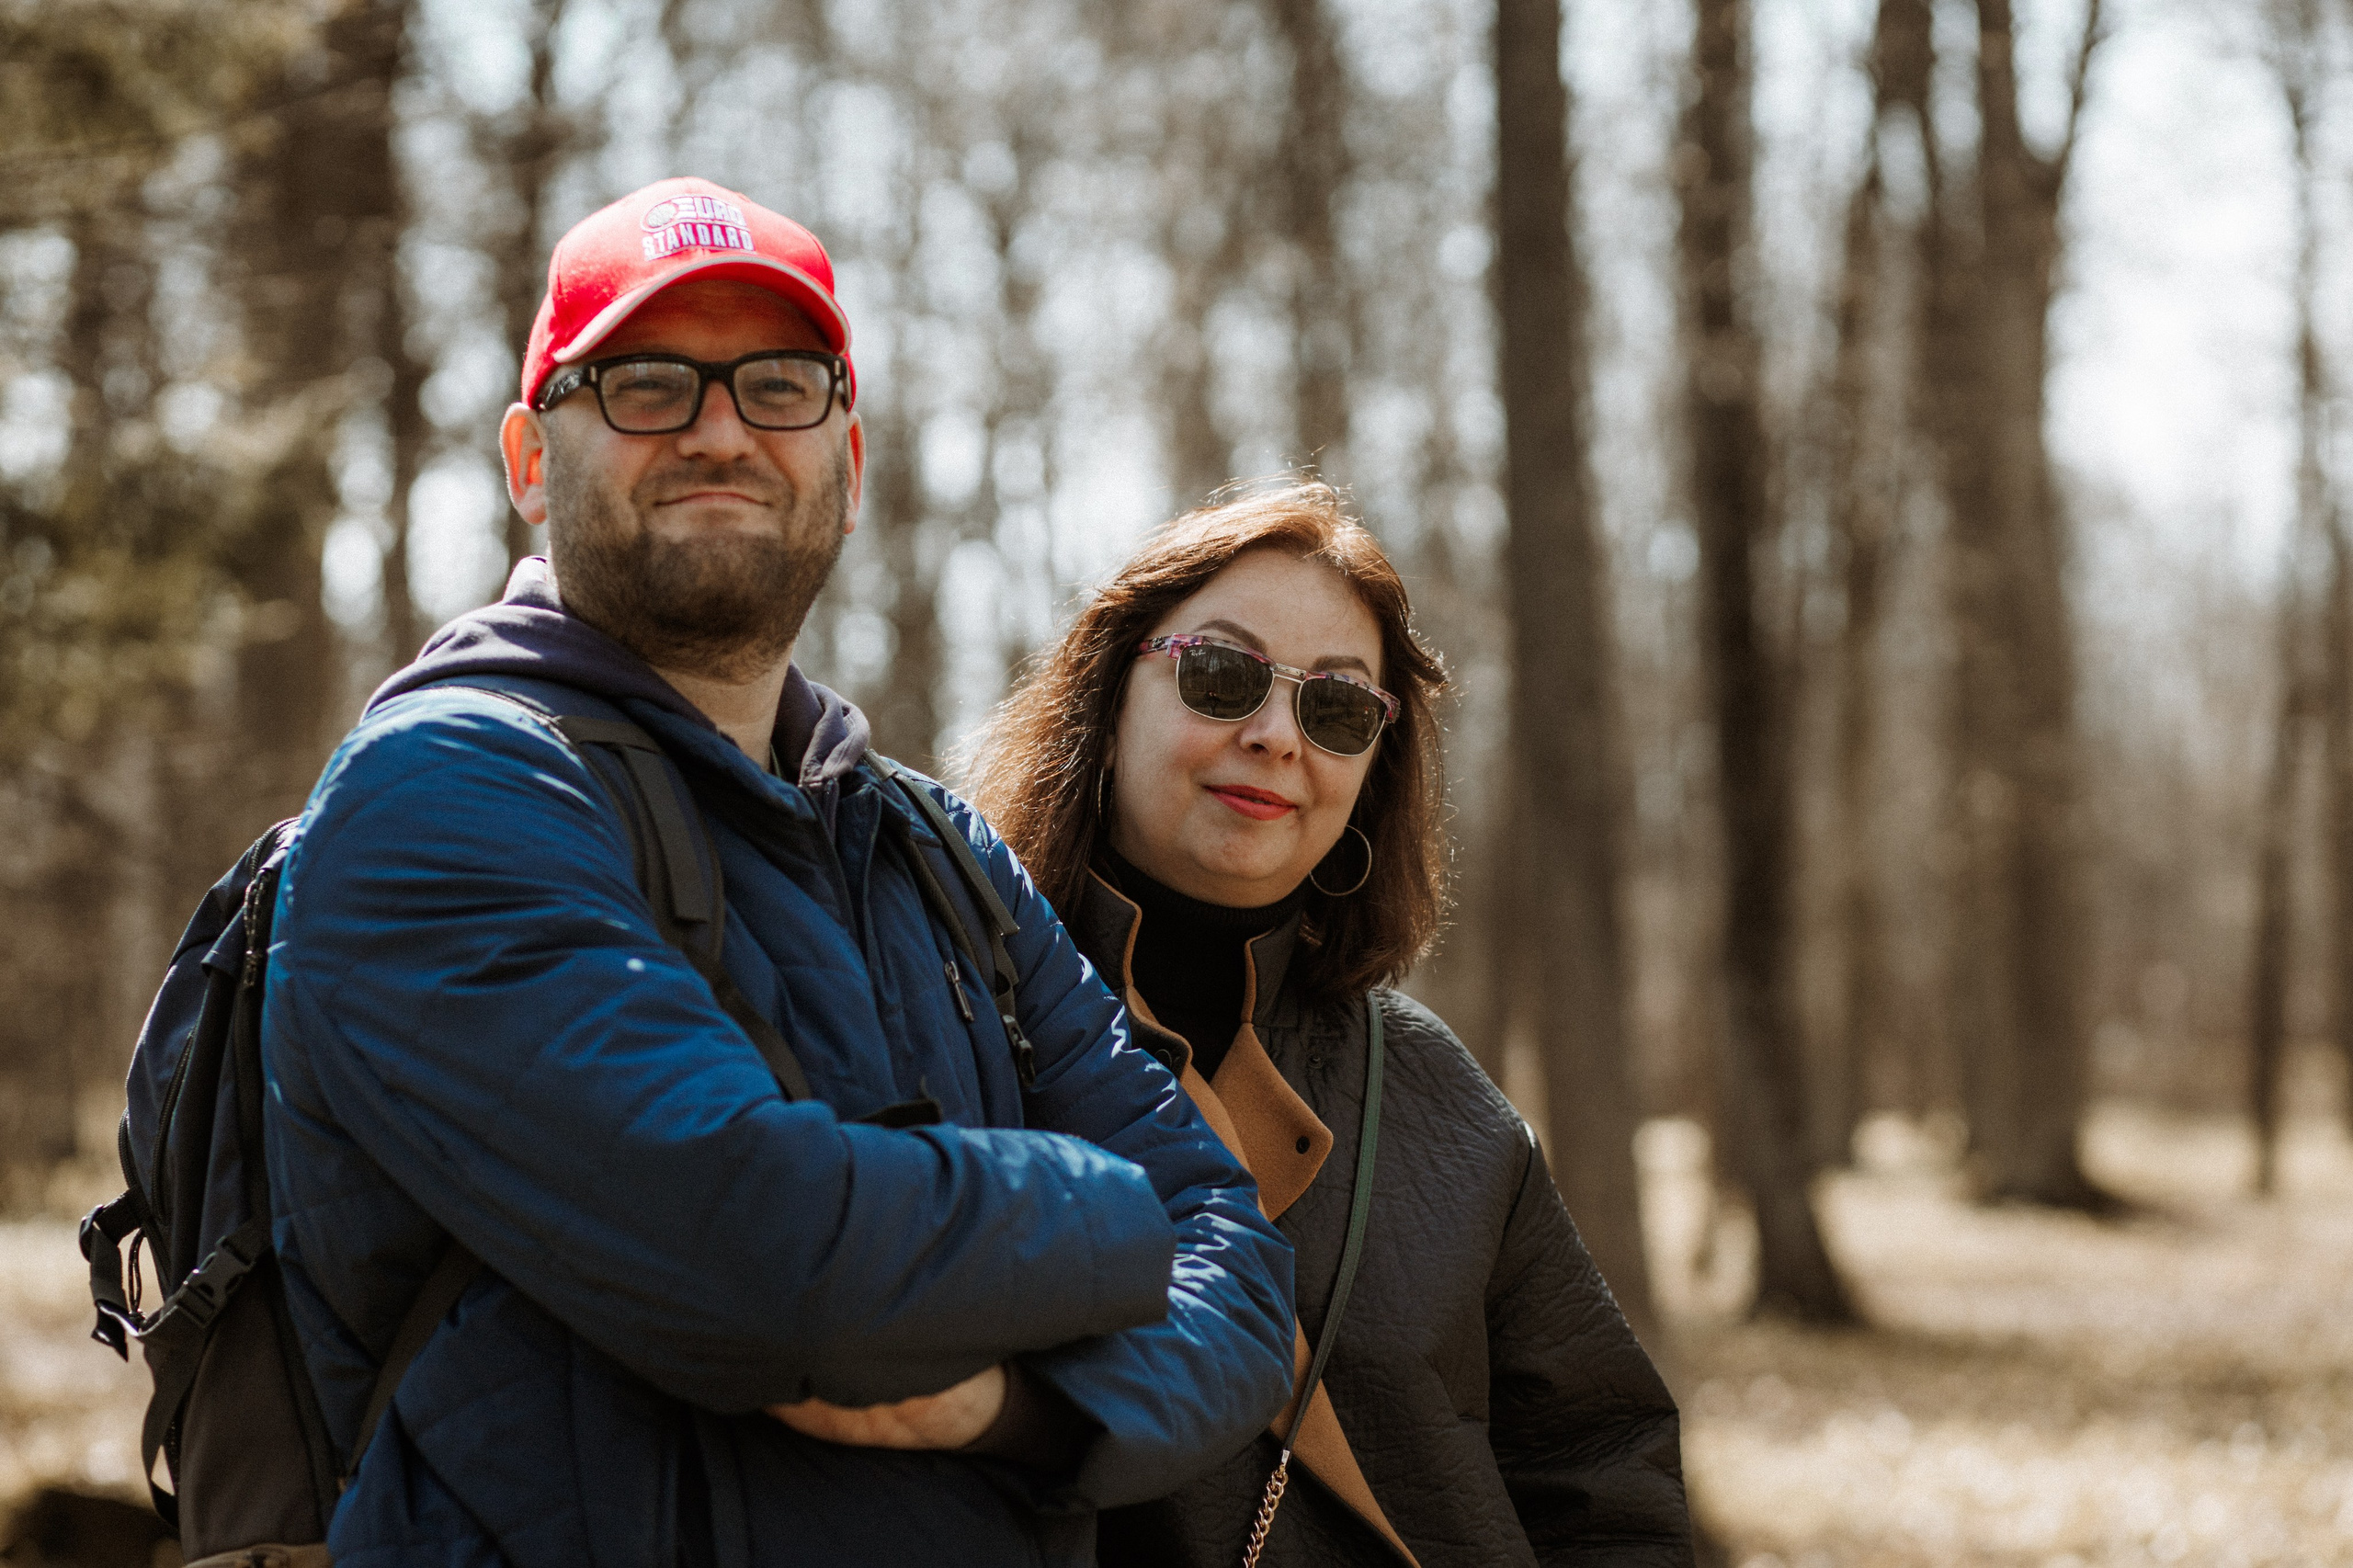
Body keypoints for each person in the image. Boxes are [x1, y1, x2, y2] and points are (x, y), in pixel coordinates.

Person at [260, 176, 1295, 1567]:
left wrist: (1025, 1404)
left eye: (779, 384)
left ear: (849, 465)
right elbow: (769, 1256)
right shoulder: (443, 794)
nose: (719, 430)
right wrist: (1114, 1209)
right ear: (526, 456)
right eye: (645, 383)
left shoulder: (939, 851)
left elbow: (1236, 1256)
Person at [964, 482, 1693, 1567]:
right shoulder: (949, 1016)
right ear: (1105, 703)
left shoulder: (1434, 1089)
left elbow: (1606, 1475)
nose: (1273, 736)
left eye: (1336, 708)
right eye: (1220, 675)